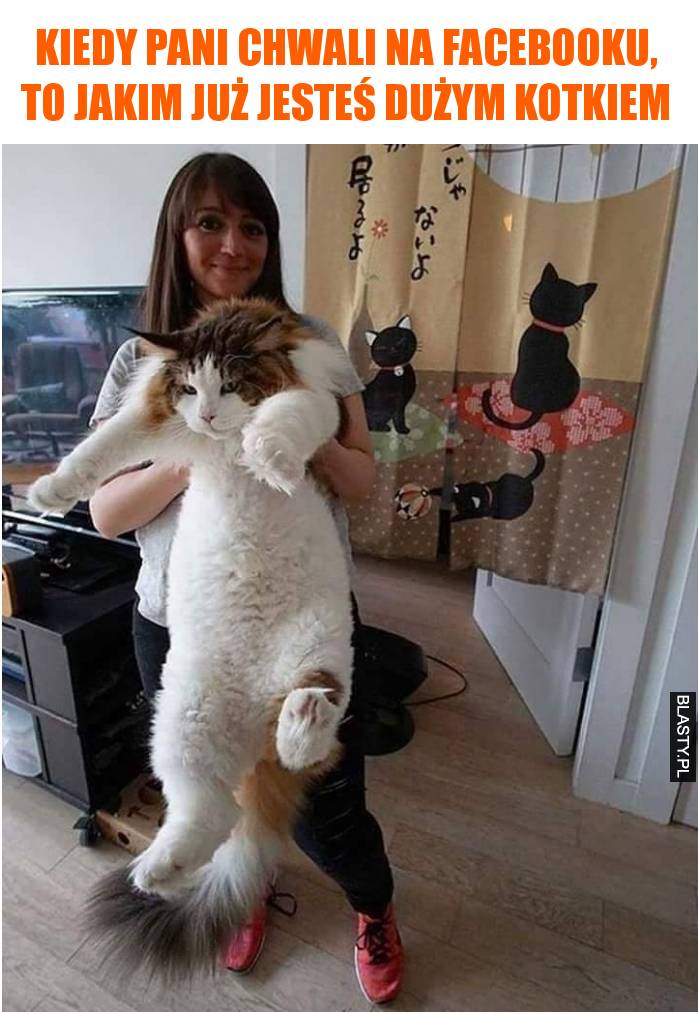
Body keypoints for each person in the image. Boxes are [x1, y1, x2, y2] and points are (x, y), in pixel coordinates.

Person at [88, 151, 403, 1004]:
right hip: (183, 620)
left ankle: (372, 906)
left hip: (301, 612)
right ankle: (244, 892)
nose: (234, 244)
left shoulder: (312, 342)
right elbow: (106, 513)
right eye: (210, 223)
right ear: (176, 235)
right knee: (215, 781)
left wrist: (303, 435)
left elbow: (362, 480)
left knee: (331, 809)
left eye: (252, 226)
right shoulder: (142, 359)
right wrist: (198, 446)